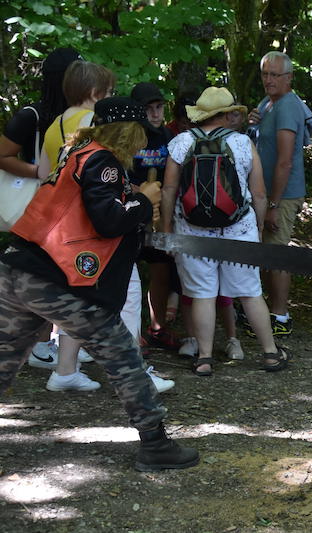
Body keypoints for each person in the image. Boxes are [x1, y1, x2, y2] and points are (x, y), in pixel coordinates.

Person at [0, 96, 198, 470]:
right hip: (58, 280)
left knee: (4, 356)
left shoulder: (78, 153)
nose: (144, 142)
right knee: (124, 357)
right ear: (129, 132)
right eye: (141, 133)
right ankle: (156, 444)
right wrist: (143, 201)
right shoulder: (103, 161)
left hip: (19, 269)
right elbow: (108, 220)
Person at [162, 86, 289, 375]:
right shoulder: (243, 143)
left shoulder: (181, 142)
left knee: (202, 294)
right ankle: (270, 353)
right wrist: (257, 230)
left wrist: (167, 228)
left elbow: (169, 190)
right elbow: (259, 194)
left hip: (191, 231)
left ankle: (205, 358)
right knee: (250, 292)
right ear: (227, 114)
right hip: (238, 229)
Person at [35, 59, 115, 391]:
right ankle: (68, 369)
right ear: (95, 92)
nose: (110, 98)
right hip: (85, 218)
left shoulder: (55, 124)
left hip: (56, 219)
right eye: (109, 92)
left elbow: (43, 174)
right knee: (90, 292)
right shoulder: (92, 122)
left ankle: (67, 363)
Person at [0, 47, 81, 368]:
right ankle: (39, 344)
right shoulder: (31, 116)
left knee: (63, 273)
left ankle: (58, 344)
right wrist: (39, 172)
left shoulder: (81, 116)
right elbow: (3, 155)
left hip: (69, 206)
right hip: (38, 207)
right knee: (43, 273)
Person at [248, 51, 307, 337]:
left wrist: (273, 204)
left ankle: (281, 316)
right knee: (266, 253)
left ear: (289, 77)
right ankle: (268, 312)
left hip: (281, 195)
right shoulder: (268, 103)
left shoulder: (288, 107)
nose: (268, 79)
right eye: (265, 74)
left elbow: (285, 161)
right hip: (265, 193)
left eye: (274, 74)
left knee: (277, 253)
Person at [130, 82, 181, 352]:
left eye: (159, 107)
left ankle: (157, 327)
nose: (155, 113)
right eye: (149, 108)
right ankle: (128, 333)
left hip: (160, 213)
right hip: (132, 211)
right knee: (127, 274)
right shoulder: (129, 135)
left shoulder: (168, 136)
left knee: (161, 269)